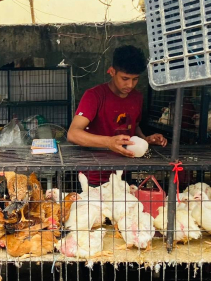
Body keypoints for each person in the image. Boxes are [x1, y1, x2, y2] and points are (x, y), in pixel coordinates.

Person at [67, 45, 168, 183]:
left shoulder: (137, 97)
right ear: (112, 71)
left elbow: (134, 127)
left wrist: (145, 140)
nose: (130, 85)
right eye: (125, 78)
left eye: (135, 79)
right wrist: (108, 142)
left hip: (124, 174)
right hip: (95, 176)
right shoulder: (94, 96)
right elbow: (73, 134)